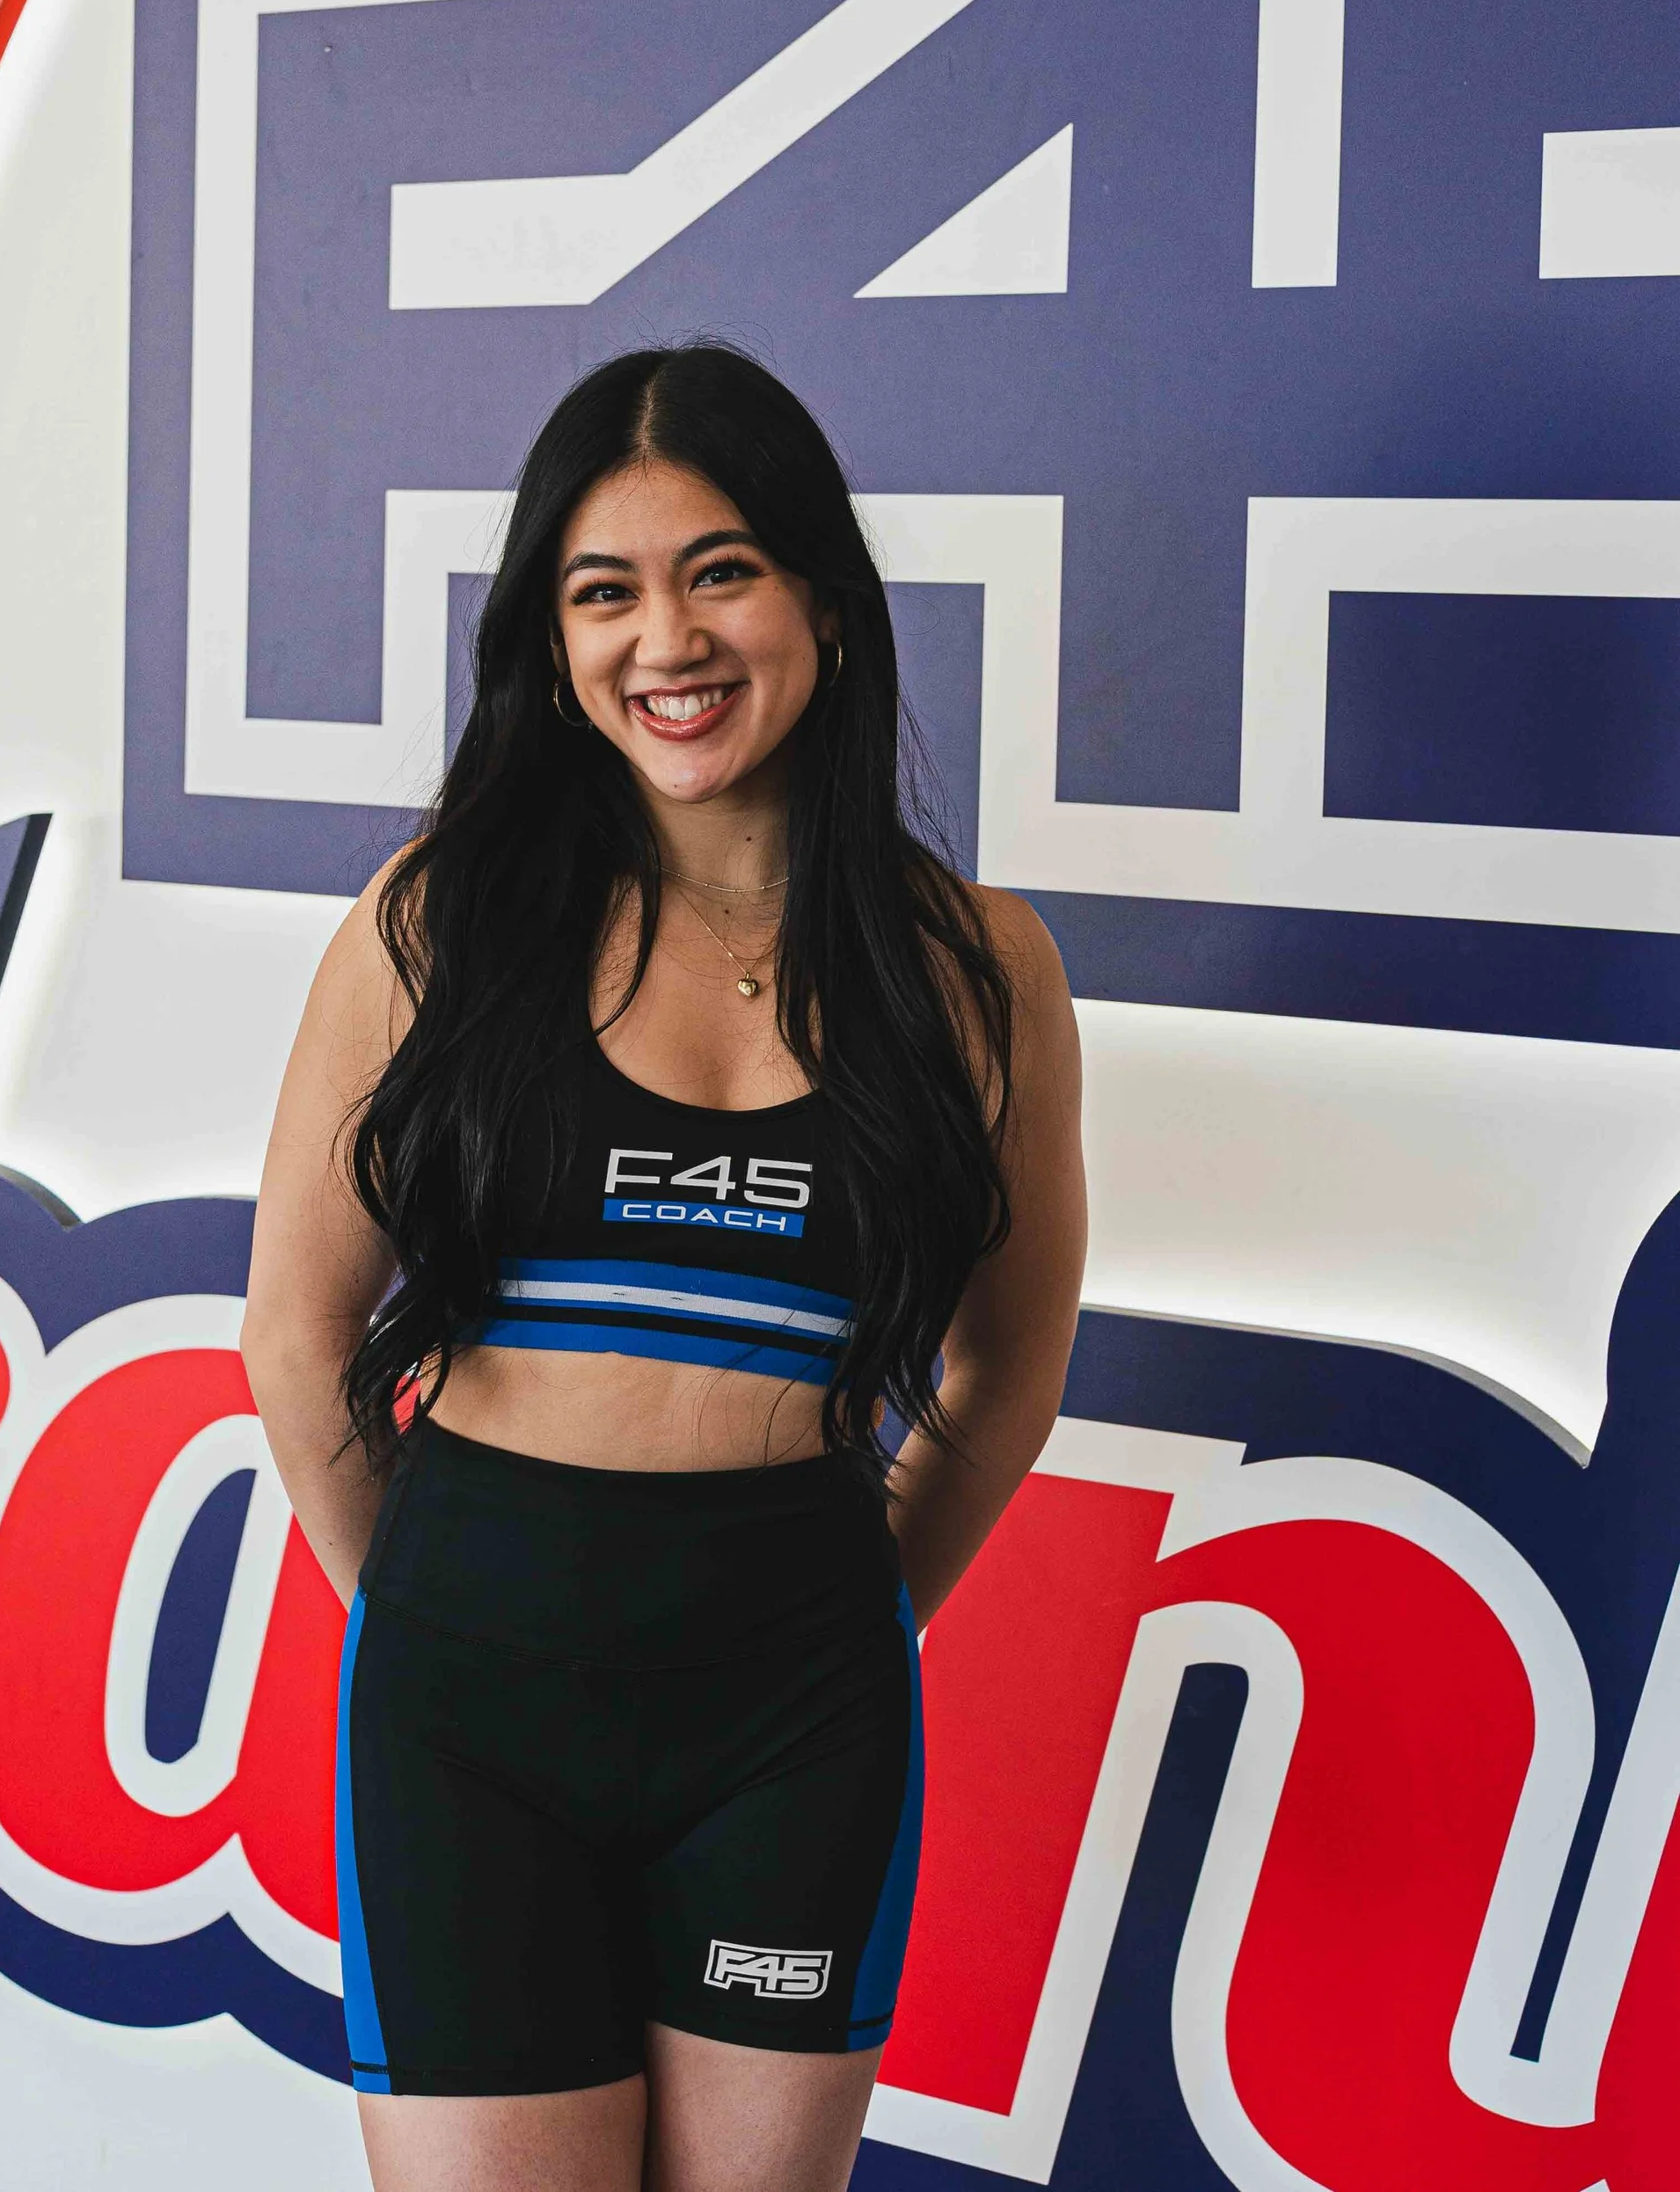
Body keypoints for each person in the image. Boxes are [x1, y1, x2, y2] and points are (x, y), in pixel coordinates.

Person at [243, 342, 1086, 2192]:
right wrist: (449, 1614)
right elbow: (295, 1336)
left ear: (820, 601)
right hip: (468, 1700)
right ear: (552, 644)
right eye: (600, 590)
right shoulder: (434, 923)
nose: (664, 638)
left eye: (719, 569)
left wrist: (849, 1610)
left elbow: (1007, 1362)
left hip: (794, 1705)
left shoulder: (976, 967)